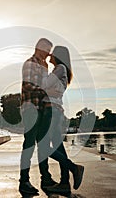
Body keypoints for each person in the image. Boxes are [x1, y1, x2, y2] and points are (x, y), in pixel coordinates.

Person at [40, 46, 84, 194]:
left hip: (51, 110)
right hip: (55, 110)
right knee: (58, 147)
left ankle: (73, 168)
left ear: (58, 56)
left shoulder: (59, 68)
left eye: (53, 52)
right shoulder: (61, 70)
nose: (49, 54)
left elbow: (44, 85)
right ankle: (65, 182)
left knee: (44, 146)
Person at [19, 38, 57, 195]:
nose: (49, 54)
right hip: (30, 108)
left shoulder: (44, 65)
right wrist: (46, 91)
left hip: (42, 109)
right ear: (39, 48)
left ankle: (46, 178)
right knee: (29, 144)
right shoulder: (29, 63)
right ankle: (24, 181)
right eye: (47, 50)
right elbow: (28, 85)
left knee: (43, 144)